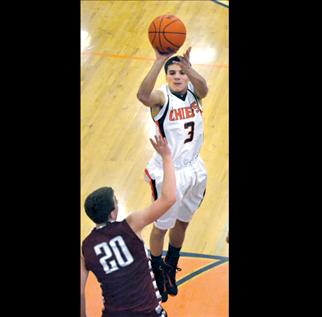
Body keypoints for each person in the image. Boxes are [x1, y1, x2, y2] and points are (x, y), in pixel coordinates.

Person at [136, 46, 209, 302]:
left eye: (181, 73)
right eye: (173, 73)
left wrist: (190, 67)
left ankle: (171, 264)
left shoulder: (194, 92)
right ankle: (156, 269)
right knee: (161, 227)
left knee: (184, 221)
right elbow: (143, 95)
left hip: (194, 169)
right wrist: (159, 61)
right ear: (167, 77)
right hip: (170, 172)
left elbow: (206, 89)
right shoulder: (161, 98)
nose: (178, 77)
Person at [81, 135, 176, 317]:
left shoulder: (85, 248)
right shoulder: (131, 225)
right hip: (148, 312)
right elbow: (169, 198)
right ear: (112, 213)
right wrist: (167, 157)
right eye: (116, 202)